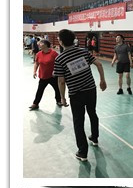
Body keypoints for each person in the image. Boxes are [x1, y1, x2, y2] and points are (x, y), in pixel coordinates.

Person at [53, 28, 107, 162]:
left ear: (61, 42)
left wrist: (62, 97)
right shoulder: (84, 52)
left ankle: (82, 152)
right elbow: (99, 64)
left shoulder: (60, 58)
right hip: (91, 90)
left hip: (76, 94)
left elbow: (61, 81)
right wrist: (102, 80)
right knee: (92, 113)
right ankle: (95, 138)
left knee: (78, 122)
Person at [29, 39, 64, 110]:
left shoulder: (54, 53)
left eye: (41, 43)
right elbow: (36, 63)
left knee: (57, 89)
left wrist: (55, 71)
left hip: (53, 76)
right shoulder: (39, 54)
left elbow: (59, 63)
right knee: (39, 90)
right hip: (43, 76)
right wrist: (34, 71)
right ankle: (35, 104)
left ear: (46, 45)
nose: (39, 44)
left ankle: (58, 101)